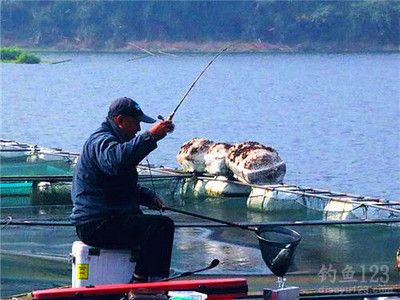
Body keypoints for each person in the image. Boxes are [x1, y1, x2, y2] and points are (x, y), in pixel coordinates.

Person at [70, 97, 175, 282]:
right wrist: (150, 137)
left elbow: (118, 184)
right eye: (136, 123)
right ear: (120, 120)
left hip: (107, 220)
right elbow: (117, 162)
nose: (139, 129)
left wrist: (147, 197)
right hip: (95, 224)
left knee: (150, 226)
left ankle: (153, 281)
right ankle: (142, 286)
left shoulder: (114, 141)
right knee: (161, 227)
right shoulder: (101, 141)